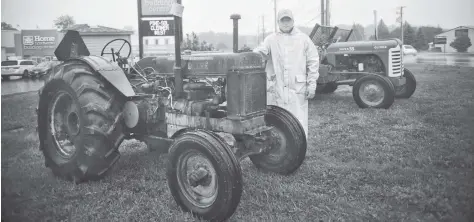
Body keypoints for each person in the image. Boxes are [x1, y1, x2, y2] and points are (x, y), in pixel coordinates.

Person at [253, 9, 320, 138]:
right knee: (276, 120)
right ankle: (279, 151)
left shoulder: (303, 39)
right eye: (282, 20)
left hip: (297, 88)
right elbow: (260, 52)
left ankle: (300, 149)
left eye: (288, 20)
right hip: (276, 87)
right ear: (278, 22)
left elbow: (313, 61)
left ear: (293, 21)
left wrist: (312, 85)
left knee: (298, 120)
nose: (285, 23)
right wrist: (250, 54)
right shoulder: (271, 39)